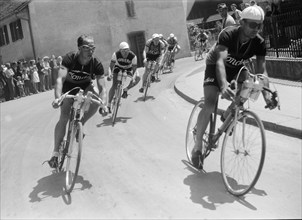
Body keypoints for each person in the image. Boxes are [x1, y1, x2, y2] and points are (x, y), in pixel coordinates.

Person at [190, 6, 278, 169]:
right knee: (210, 104)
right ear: (242, 23)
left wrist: (267, 93)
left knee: (250, 85)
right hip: (215, 64)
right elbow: (220, 62)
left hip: (237, 68)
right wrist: (222, 85)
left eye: (259, 25)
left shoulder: (258, 42)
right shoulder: (228, 34)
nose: (256, 29)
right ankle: (197, 147)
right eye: (252, 25)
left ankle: (229, 114)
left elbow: (261, 70)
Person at [48, 34, 107, 168]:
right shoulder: (69, 59)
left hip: (85, 87)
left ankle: (80, 124)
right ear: (79, 48)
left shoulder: (95, 63)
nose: (91, 50)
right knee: (64, 116)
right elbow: (60, 79)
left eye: (93, 47)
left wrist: (104, 104)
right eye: (87, 47)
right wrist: (58, 98)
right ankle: (55, 153)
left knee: (96, 97)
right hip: (69, 88)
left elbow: (103, 86)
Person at [106, 41, 140, 112]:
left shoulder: (133, 56)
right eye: (123, 50)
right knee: (114, 85)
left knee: (138, 78)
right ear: (120, 50)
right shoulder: (116, 54)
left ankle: (126, 89)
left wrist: (133, 78)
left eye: (127, 50)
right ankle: (109, 104)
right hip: (118, 68)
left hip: (128, 69)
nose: (125, 52)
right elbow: (111, 66)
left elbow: (134, 69)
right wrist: (109, 74)